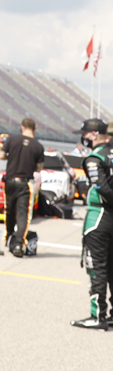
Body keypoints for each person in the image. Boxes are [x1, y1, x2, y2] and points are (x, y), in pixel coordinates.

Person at [73, 119, 113, 329]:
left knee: (96, 266)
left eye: (85, 134)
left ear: (95, 134)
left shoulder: (94, 158)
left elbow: (102, 188)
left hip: (99, 216)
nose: (83, 138)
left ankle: (98, 315)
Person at [0, 117, 45, 257]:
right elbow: (39, 168)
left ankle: (9, 237)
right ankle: (18, 244)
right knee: (23, 214)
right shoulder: (38, 146)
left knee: (9, 211)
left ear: (22, 127)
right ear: (34, 129)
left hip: (9, 181)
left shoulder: (12, 140)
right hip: (25, 183)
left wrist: (12, 157)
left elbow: (1, 155)